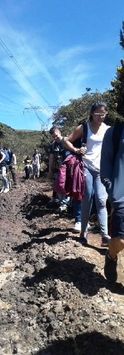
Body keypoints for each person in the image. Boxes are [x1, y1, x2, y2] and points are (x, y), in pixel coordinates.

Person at [64, 101, 110, 247]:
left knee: (102, 201)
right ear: (92, 113)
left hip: (102, 169)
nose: (101, 117)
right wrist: (76, 150)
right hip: (86, 167)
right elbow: (66, 140)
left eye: (103, 114)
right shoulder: (84, 127)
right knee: (87, 198)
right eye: (98, 114)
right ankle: (83, 232)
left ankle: (104, 235)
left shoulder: (108, 130)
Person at [100, 121, 124, 282]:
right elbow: (106, 166)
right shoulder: (114, 133)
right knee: (120, 240)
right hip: (122, 195)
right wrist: (113, 190)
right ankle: (111, 255)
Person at [48, 126, 70, 211]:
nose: (55, 138)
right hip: (57, 169)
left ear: (59, 132)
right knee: (59, 186)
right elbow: (51, 157)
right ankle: (63, 203)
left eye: (56, 135)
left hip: (67, 168)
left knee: (67, 186)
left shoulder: (67, 141)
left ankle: (67, 203)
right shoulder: (53, 145)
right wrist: (50, 169)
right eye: (53, 136)